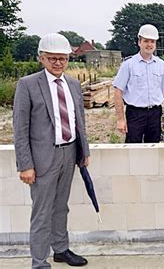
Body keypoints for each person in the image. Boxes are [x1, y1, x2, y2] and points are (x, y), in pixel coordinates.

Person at [13, 33, 90, 268]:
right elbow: (20, 128)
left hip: (69, 154)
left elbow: (79, 120)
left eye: (63, 59)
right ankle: (39, 261)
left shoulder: (74, 84)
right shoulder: (28, 85)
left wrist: (83, 151)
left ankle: (61, 249)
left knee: (61, 206)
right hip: (43, 158)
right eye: (53, 58)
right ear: (42, 58)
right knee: (42, 211)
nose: (58, 63)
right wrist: (25, 165)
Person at [113, 24, 164, 143]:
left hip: (155, 114)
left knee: (154, 148)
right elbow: (118, 91)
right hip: (135, 114)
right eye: (146, 41)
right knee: (133, 149)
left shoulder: (161, 65)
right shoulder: (128, 65)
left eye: (152, 41)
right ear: (139, 42)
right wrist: (120, 119)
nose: (149, 45)